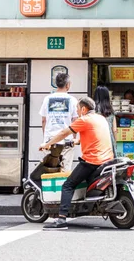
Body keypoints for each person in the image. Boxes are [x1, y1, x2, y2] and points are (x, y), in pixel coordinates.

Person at [40, 97, 114, 230]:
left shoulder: (84, 119)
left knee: (68, 185)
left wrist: (47, 144)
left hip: (92, 161)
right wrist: (75, 142)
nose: (77, 112)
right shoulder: (100, 118)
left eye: (78, 109)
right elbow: (94, 136)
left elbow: (64, 132)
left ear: (84, 109)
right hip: (107, 159)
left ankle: (61, 219)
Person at [39, 73, 79, 172]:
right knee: (65, 172)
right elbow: (75, 121)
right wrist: (74, 138)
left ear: (56, 84)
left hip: (50, 141)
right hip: (67, 141)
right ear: (68, 84)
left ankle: (51, 188)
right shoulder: (73, 100)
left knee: (49, 171)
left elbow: (44, 120)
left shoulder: (47, 99)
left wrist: (46, 139)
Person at [94, 86, 117, 158]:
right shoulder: (110, 111)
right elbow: (114, 130)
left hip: (96, 140)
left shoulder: (93, 110)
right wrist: (115, 143)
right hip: (109, 140)